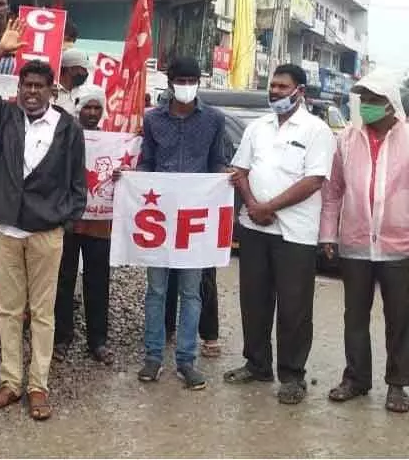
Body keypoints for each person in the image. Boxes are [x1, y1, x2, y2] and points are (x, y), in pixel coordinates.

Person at [0, 20, 87, 421]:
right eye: (26, 85)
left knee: (44, 312)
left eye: (39, 86)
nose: (32, 92)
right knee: (9, 310)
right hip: (7, 230)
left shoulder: (68, 128)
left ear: (52, 90)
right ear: (18, 88)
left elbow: (76, 183)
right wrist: (0, 50)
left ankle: (38, 386)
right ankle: (11, 381)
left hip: (46, 233)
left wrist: (62, 222)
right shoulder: (7, 117)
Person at [226, 63, 336, 404]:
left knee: (294, 307)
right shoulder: (257, 127)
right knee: (254, 300)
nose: (274, 91)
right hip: (254, 227)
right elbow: (239, 170)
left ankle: (292, 375)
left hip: (295, 233)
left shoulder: (317, 130)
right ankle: (257, 364)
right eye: (272, 85)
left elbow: (313, 180)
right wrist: (252, 204)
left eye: (282, 86)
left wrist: (268, 206)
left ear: (299, 91)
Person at [126, 57, 226, 391]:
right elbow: (148, 163)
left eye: (191, 79)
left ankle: (186, 360)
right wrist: (130, 178)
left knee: (190, 292)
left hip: (194, 219)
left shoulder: (214, 120)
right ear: (169, 82)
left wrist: (226, 178)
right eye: (180, 79)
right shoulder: (153, 120)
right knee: (155, 290)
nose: (186, 85)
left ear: (199, 81)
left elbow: (217, 165)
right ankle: (153, 356)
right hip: (161, 216)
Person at [320, 70, 409, 412]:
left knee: (399, 317)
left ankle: (398, 384)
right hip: (356, 242)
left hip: (399, 244)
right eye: (364, 100)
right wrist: (328, 234)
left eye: (374, 100)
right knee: (354, 315)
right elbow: (333, 192)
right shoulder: (346, 138)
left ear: (391, 105)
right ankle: (356, 378)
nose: (367, 106)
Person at [52, 84, 115, 365]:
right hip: (68, 220)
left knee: (98, 280)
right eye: (87, 107)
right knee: (63, 279)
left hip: (99, 224)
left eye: (96, 107)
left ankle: (98, 341)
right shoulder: (64, 136)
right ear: (77, 107)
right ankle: (61, 337)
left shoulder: (113, 142)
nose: (91, 113)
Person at [55, 48, 92, 116]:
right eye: (83, 69)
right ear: (71, 69)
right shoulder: (51, 92)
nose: (86, 73)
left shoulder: (85, 93)